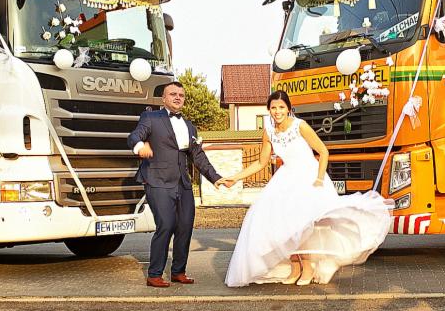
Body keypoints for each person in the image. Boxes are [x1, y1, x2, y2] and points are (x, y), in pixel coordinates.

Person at [217, 91, 391, 287]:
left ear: (288, 109)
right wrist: (234, 178)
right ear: (268, 110)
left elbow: (323, 151)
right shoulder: (269, 132)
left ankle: (307, 267)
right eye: (273, 108)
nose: (277, 111)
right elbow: (260, 162)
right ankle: (295, 268)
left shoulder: (300, 126)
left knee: (302, 224)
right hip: (285, 179)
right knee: (282, 224)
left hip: (308, 177)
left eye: (281, 107)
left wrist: (319, 179)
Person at [128, 81, 222, 288]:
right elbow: (134, 136)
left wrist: (215, 177)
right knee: (167, 224)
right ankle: (154, 274)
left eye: (181, 94)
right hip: (158, 180)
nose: (178, 97)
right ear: (164, 98)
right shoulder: (151, 118)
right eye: (173, 94)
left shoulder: (189, 126)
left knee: (185, 226)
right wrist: (139, 146)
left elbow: (198, 156)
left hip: (183, 183)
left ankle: (178, 271)